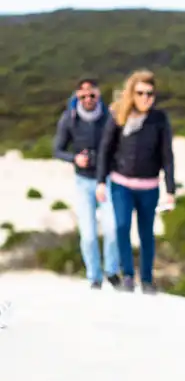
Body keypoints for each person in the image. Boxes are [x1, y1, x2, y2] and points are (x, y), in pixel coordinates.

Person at [95, 69, 176, 294]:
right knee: (121, 227)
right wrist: (101, 181)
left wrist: (170, 189)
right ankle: (128, 275)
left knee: (146, 233)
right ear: (132, 93)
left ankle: (147, 280)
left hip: (149, 187)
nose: (145, 98)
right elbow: (105, 150)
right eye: (140, 93)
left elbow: (167, 156)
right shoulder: (118, 116)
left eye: (150, 94)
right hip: (121, 184)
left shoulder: (160, 120)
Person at [52, 77, 121, 290]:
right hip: (83, 181)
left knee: (113, 229)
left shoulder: (109, 117)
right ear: (77, 97)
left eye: (92, 95)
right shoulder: (69, 119)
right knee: (89, 235)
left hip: (107, 180)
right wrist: (75, 158)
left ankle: (111, 271)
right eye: (83, 96)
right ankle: (94, 276)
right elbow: (57, 150)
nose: (88, 99)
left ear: (99, 95)